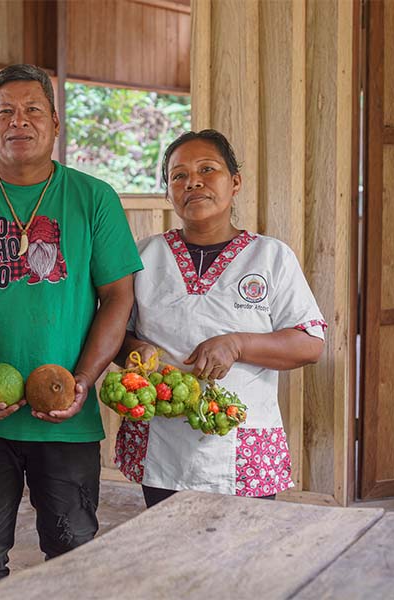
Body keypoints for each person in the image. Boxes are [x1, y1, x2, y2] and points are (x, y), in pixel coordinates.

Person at [0, 64, 142, 599]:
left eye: (33, 109)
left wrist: (83, 380)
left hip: (68, 417)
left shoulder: (93, 197)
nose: (20, 121)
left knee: (75, 552)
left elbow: (118, 298)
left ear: (55, 123)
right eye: (4, 111)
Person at [116, 129, 326, 508]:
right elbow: (119, 335)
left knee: (243, 559)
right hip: (164, 446)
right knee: (167, 551)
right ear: (168, 193)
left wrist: (237, 344)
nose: (192, 181)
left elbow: (309, 344)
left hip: (244, 446)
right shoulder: (145, 256)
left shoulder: (271, 257)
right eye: (178, 175)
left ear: (235, 182)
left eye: (207, 169)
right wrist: (136, 350)